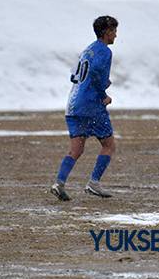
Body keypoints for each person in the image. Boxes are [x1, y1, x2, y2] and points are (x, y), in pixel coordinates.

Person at [49, 15, 119, 201]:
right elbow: (96, 74)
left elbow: (74, 76)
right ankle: (94, 183)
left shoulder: (86, 50)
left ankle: (59, 183)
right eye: (113, 31)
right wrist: (103, 94)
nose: (116, 35)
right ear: (106, 32)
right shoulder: (104, 51)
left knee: (76, 149)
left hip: (73, 104)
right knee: (109, 145)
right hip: (91, 105)